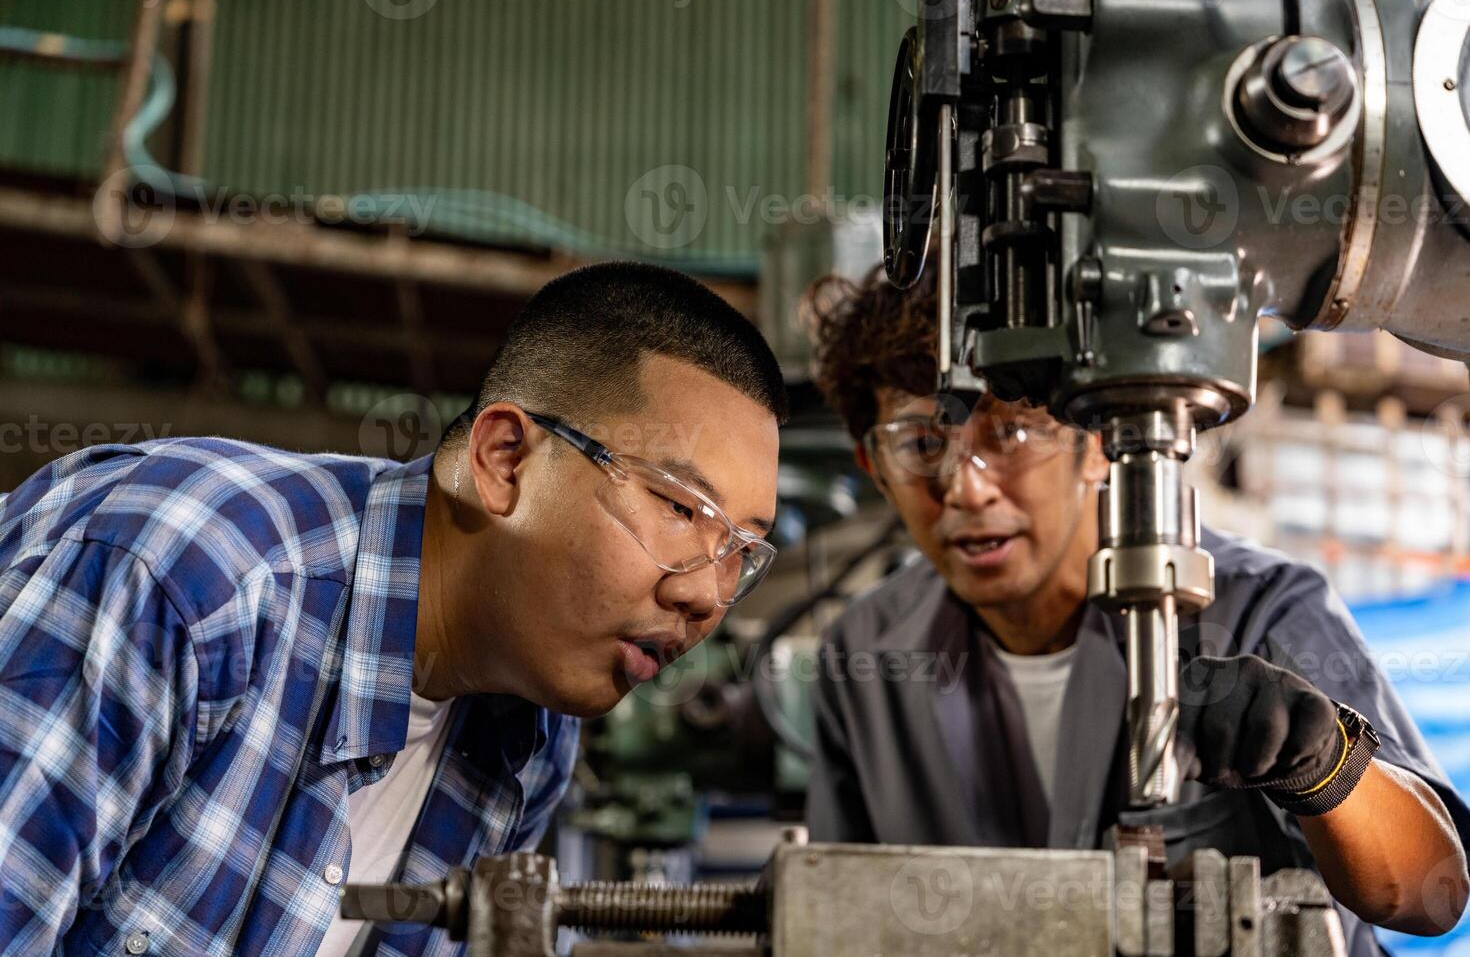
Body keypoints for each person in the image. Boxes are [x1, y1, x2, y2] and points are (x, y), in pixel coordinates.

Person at [0, 261, 786, 955]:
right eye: (682, 510)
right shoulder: (196, 577)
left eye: (743, 552)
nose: (706, 595)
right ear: (505, 461)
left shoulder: (532, 746)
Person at [802, 266, 1470, 954]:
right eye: (922, 445)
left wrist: (1324, 766)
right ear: (872, 465)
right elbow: (838, 916)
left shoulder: (1261, 608)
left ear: (1096, 440)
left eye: (1010, 434)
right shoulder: (866, 662)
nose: (965, 488)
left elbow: (1432, 894)